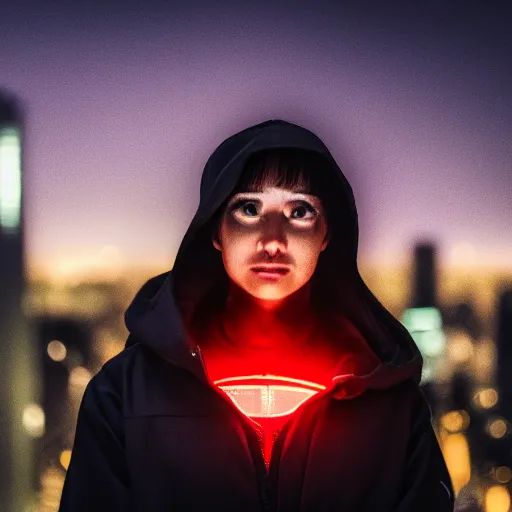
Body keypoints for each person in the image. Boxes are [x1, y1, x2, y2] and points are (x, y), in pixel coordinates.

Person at [59, 119, 455, 511]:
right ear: (215, 229)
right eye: (249, 208)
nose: (272, 240)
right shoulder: (123, 395)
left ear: (327, 234)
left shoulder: (391, 405)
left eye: (299, 211)